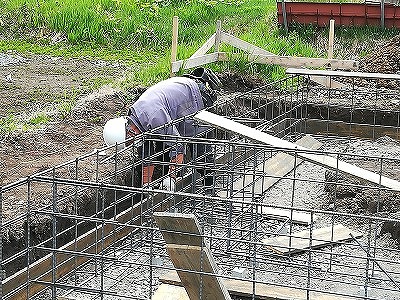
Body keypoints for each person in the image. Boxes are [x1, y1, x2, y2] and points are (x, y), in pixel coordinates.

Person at [102, 67, 221, 191]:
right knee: (163, 152)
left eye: (128, 142)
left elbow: (178, 144)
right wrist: (146, 185)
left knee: (200, 152)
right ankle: (175, 176)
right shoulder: (135, 121)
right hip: (176, 104)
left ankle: (210, 189)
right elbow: (147, 157)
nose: (131, 144)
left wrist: (171, 177)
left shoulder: (153, 116)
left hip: (195, 97)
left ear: (129, 132)